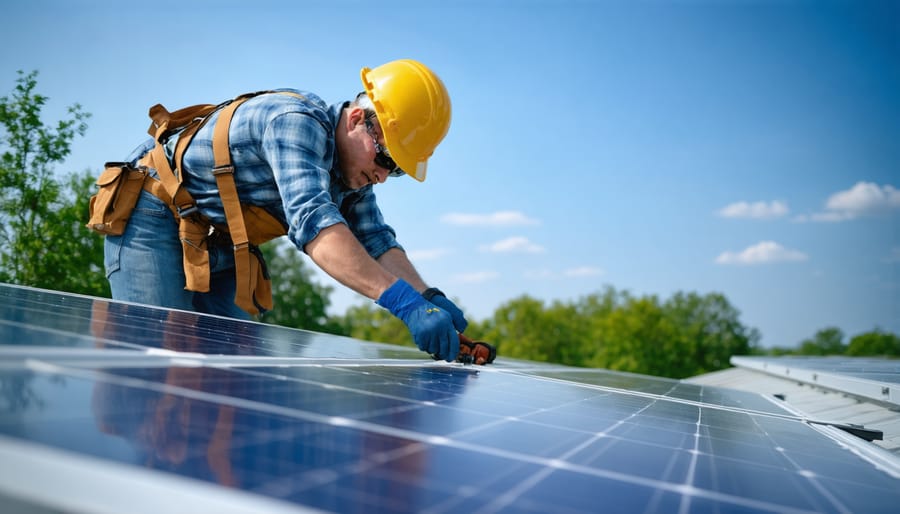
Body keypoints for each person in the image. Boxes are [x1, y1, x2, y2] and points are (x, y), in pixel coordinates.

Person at [104, 59, 466, 361]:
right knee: (160, 363)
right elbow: (316, 227)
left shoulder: (351, 174)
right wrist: (404, 303)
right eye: (386, 157)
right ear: (357, 119)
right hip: (153, 216)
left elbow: (375, 239)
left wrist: (427, 297)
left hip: (218, 239)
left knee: (233, 370)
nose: (384, 176)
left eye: (398, 169)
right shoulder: (296, 123)